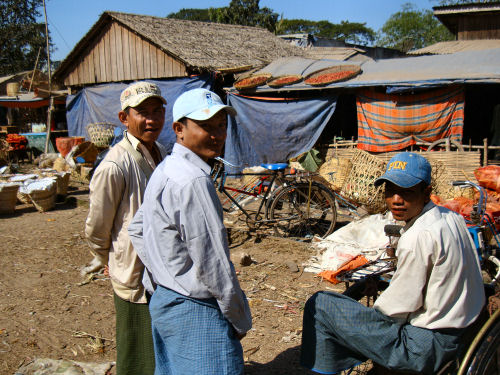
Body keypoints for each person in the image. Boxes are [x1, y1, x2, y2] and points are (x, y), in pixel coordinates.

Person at [300, 152, 486, 375]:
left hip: (425, 348)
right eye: (390, 191)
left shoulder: (418, 236)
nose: (396, 200)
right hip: (466, 328)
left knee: (321, 304)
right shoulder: (450, 217)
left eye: (407, 191)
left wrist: (359, 318)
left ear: (426, 193)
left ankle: (327, 367)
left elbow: (394, 309)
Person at [128, 88, 252, 375]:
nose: (217, 134)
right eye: (206, 126)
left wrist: (163, 275)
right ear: (179, 129)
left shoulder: (167, 168)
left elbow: (137, 229)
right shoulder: (193, 181)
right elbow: (214, 264)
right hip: (196, 310)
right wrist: (238, 317)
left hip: (166, 300)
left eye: (221, 125)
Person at [84, 81, 168, 375]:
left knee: (158, 343)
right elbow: (97, 225)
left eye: (157, 111)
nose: (152, 119)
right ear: (124, 118)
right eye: (142, 112)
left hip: (160, 267)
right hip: (132, 270)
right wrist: (105, 256)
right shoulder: (115, 165)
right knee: (136, 349)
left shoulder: (160, 151)